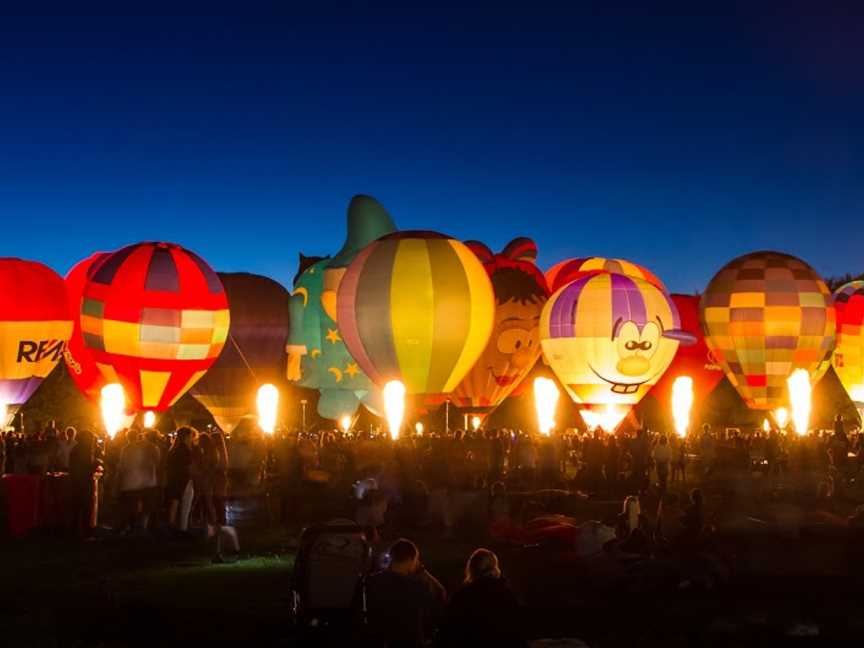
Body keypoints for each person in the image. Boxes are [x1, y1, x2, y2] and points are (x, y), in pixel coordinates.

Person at [362, 538, 446, 646]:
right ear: (412, 559)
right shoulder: (418, 585)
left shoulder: (370, 582)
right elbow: (440, 594)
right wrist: (421, 570)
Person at [440, 548, 524, 647]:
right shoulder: (506, 593)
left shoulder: (463, 596)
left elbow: (449, 631)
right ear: (495, 567)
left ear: (471, 568)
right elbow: (517, 627)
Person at [115, 429, 161, 533]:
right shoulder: (153, 448)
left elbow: (122, 466)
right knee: (146, 508)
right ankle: (141, 528)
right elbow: (158, 463)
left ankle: (130, 528)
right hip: (147, 482)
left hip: (130, 483)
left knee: (131, 507)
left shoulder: (127, 448)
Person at [165, 427, 196, 532]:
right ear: (187, 436)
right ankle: (183, 528)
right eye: (191, 436)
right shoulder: (186, 450)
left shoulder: (173, 449)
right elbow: (190, 467)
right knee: (186, 505)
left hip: (174, 478)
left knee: (174, 502)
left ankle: (171, 525)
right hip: (185, 479)